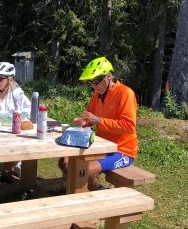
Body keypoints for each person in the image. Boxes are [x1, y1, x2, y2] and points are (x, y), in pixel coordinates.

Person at [58, 57, 138, 191]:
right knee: (64, 162)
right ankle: (99, 190)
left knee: (82, 171)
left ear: (108, 76)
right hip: (101, 146)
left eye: (96, 81)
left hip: (122, 151)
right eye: (91, 82)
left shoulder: (126, 93)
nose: (93, 86)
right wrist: (83, 121)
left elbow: (129, 127)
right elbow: (90, 117)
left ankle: (85, 198)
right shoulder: (98, 94)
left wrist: (98, 120)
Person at [0, 62, 31, 185]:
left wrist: (5, 116)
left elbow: (28, 108)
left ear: (10, 79)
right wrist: (10, 116)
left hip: (13, 128)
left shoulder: (17, 91)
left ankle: (19, 166)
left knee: (22, 140)